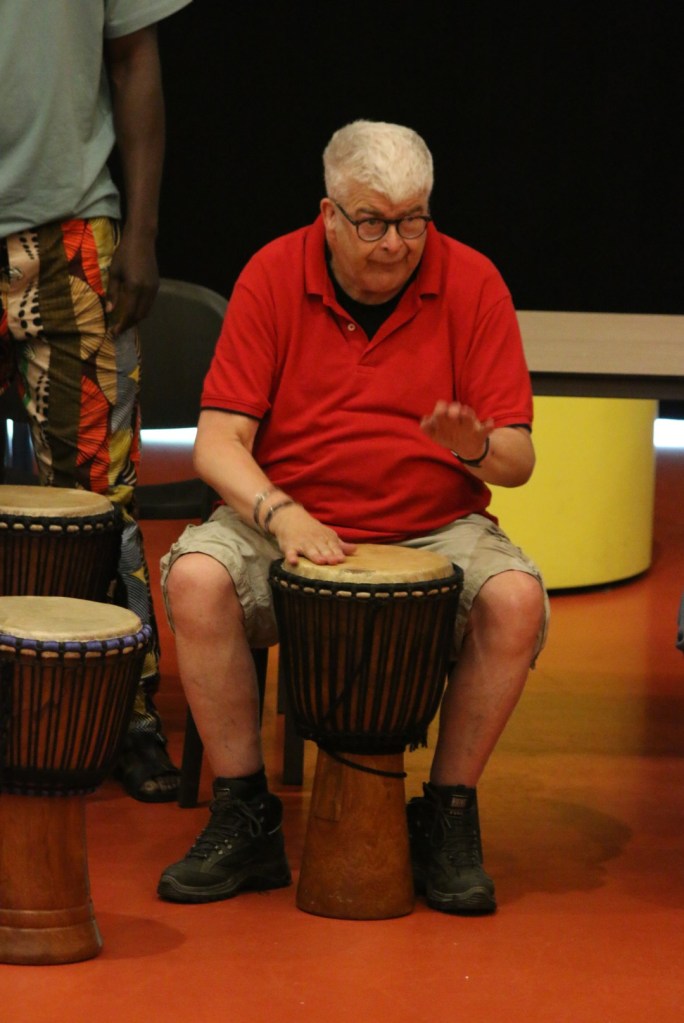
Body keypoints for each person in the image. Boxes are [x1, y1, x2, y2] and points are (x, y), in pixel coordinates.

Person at [157, 120, 550, 914]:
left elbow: (518, 460)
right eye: (372, 221)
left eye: (413, 220)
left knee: (516, 600)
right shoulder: (273, 273)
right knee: (197, 578)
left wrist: (476, 447)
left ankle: (447, 815)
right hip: (284, 519)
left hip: (436, 527)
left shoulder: (474, 281)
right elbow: (217, 443)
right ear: (329, 214)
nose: (396, 243)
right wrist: (282, 513)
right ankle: (244, 812)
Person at [0, 0, 191, 801]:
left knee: (99, 498)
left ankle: (126, 713)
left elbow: (135, 60)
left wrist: (141, 232)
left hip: (73, 232)